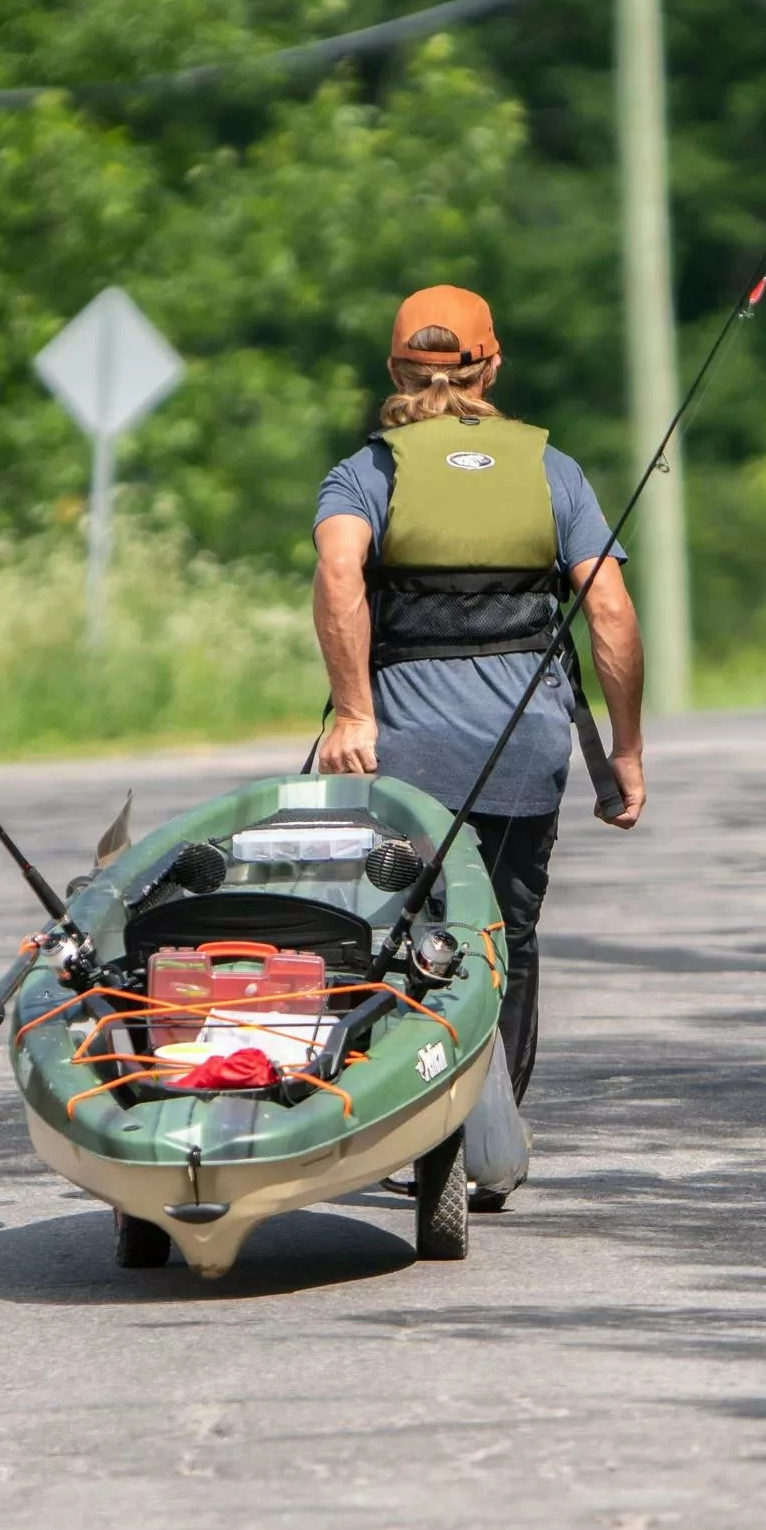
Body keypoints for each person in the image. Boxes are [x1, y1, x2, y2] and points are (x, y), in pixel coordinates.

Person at [312, 285, 645, 1197]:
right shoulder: (553, 471)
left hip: (401, 757)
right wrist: (624, 752)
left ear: (394, 372)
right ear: (492, 365)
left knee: (395, 934)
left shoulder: (365, 474)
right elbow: (608, 607)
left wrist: (352, 711)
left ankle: (411, 1130)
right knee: (505, 939)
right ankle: (486, 1147)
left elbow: (340, 571)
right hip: (523, 751)